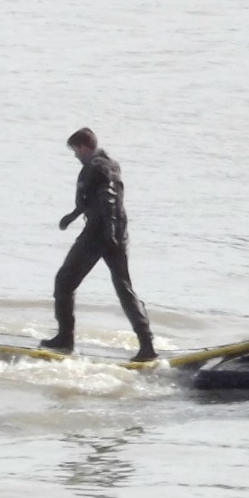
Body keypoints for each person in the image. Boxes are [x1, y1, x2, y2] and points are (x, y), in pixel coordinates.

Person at [43, 128, 157, 361]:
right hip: (117, 231)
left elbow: (108, 197)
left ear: (84, 147)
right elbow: (100, 196)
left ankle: (65, 339)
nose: (75, 156)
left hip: (99, 233)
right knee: (124, 288)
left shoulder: (94, 166)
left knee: (64, 281)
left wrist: (107, 232)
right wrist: (73, 216)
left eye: (75, 150)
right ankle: (147, 345)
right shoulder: (111, 165)